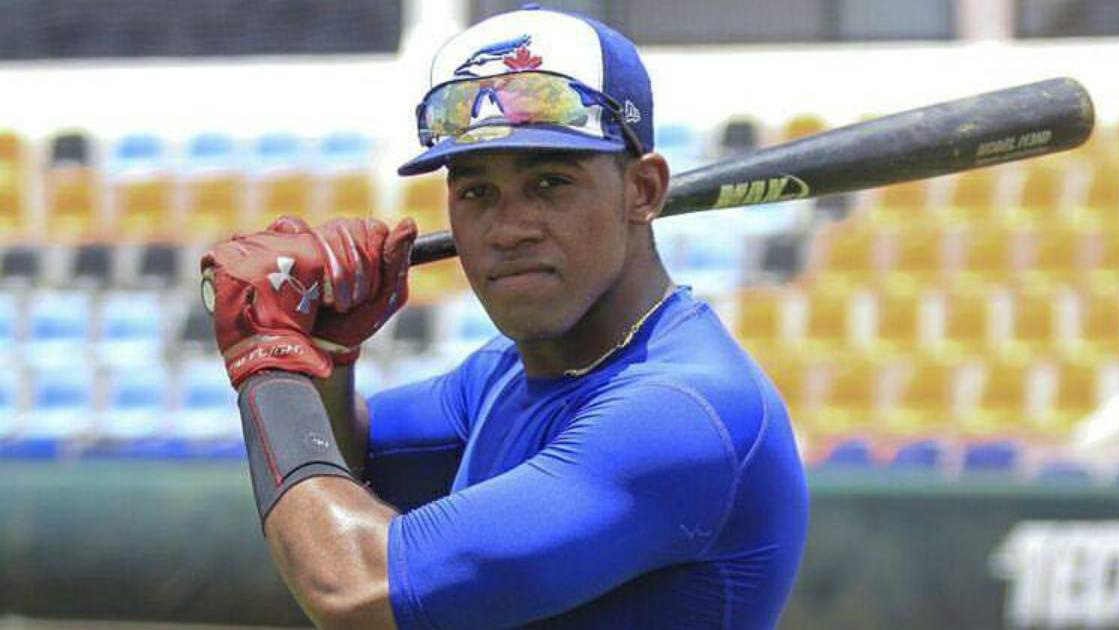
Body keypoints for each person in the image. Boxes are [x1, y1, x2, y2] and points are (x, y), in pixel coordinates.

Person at [201, 5, 807, 628]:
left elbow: (355, 586)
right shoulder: (504, 373)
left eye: (550, 183)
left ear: (643, 190)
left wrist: (266, 355)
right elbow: (336, 464)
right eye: (476, 192)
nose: (508, 229)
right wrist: (326, 353)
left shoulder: (681, 414)